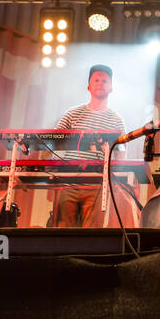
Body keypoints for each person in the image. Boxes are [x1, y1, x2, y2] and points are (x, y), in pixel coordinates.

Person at [52, 64, 125, 228]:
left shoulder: (116, 119)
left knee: (91, 233)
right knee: (62, 230)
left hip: (97, 183)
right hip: (68, 181)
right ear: (88, 86)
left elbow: (121, 152)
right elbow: (53, 140)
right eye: (96, 80)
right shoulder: (72, 113)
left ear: (111, 88)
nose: (100, 83)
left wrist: (117, 175)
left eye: (105, 81)